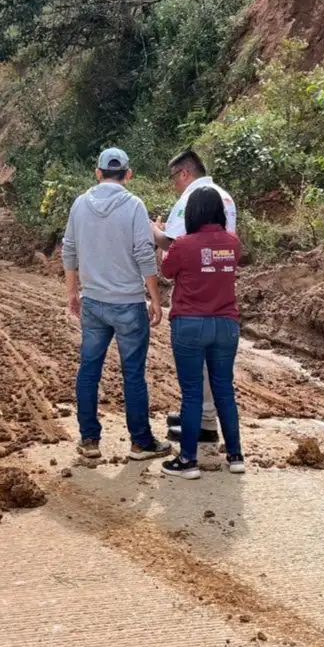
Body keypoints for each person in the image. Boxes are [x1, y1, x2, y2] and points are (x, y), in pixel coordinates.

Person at [62, 147, 173, 462]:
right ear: (128, 174)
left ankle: (89, 441)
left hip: (93, 302)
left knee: (89, 370)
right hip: (128, 304)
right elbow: (143, 252)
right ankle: (140, 442)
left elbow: (68, 249)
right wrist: (154, 297)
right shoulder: (134, 206)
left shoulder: (80, 204)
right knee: (133, 373)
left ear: (97, 173)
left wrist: (72, 293)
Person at [151, 149, 237, 446]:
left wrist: (154, 231)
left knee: (195, 369)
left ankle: (201, 423)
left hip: (193, 297)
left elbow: (174, 246)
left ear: (184, 173)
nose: (174, 184)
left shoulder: (192, 197)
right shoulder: (223, 195)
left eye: (173, 178)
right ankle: (215, 428)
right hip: (222, 293)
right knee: (219, 374)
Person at [159, 187, 244, 479]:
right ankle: (235, 456)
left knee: (192, 393)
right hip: (226, 324)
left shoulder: (183, 244)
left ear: (193, 213)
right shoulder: (233, 243)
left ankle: (188, 461)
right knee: (224, 390)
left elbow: (167, 271)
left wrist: (160, 239)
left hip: (190, 324)